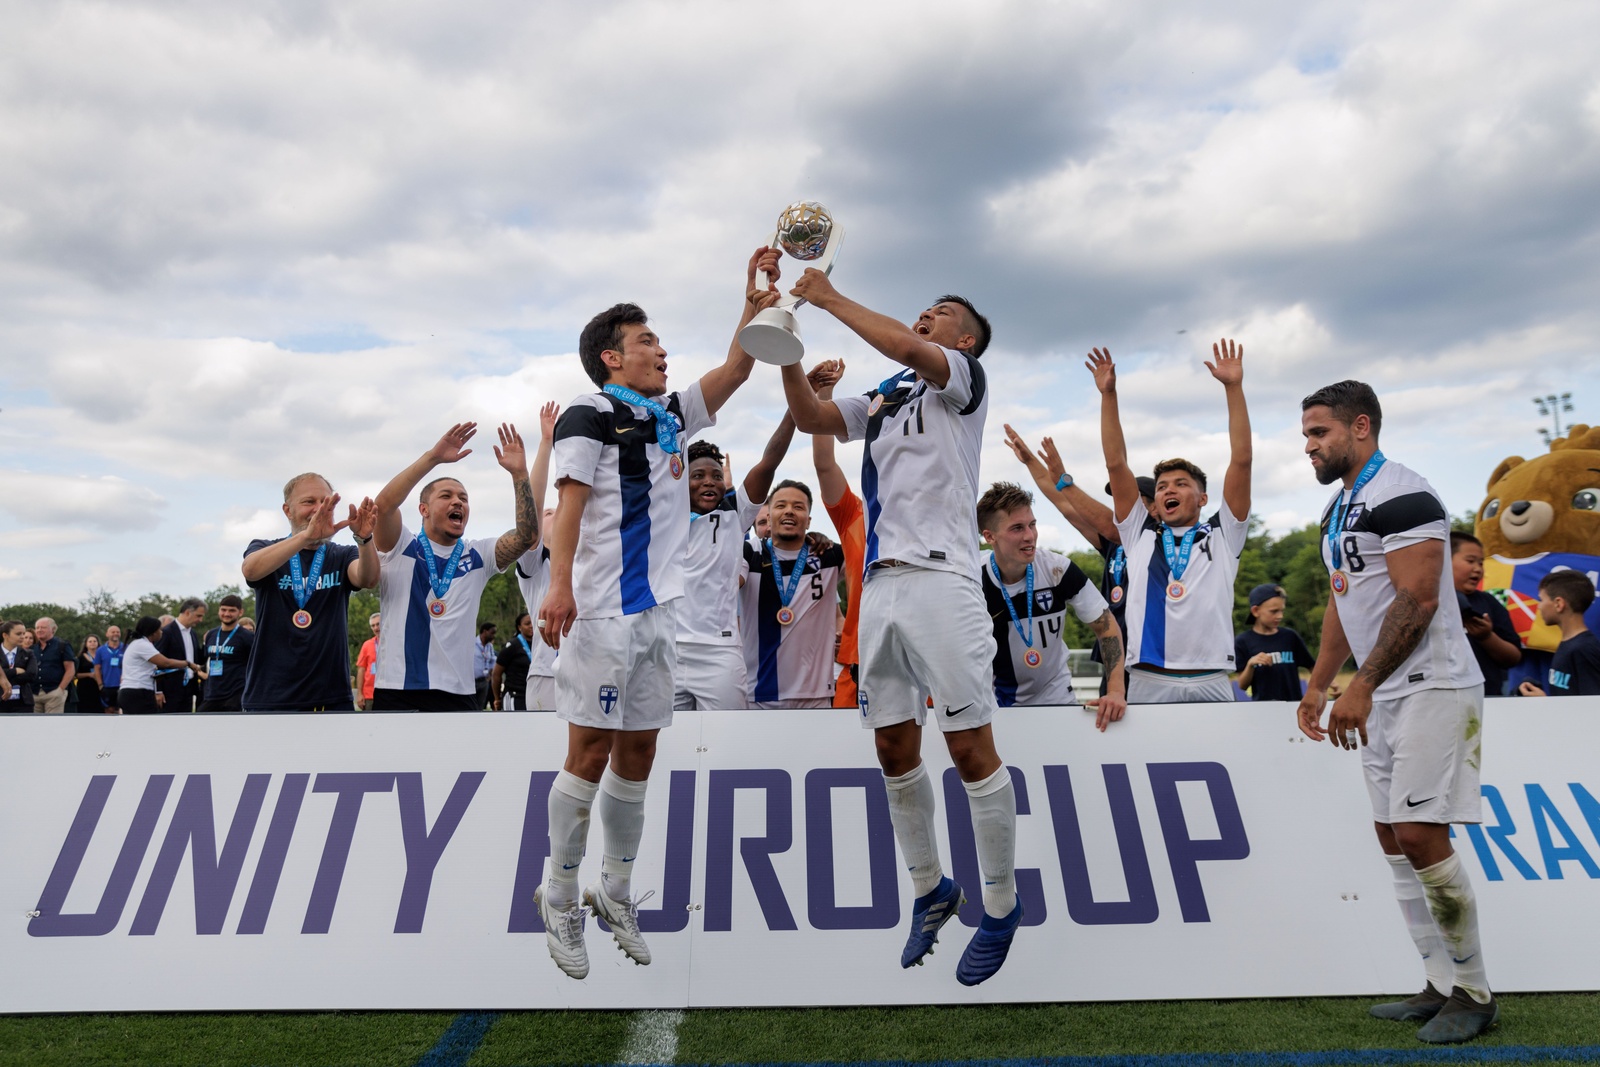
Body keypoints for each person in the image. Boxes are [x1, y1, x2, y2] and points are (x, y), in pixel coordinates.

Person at [534, 247, 775, 980]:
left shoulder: (670, 414)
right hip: (603, 609)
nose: (662, 351)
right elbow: (569, 502)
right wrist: (561, 586)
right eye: (647, 342)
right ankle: (559, 891)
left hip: (657, 618)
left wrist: (753, 303)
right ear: (612, 357)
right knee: (590, 753)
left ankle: (614, 889)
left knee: (639, 755)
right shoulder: (590, 412)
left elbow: (735, 372)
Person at [777, 276, 1019, 986]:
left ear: (965, 339)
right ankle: (931, 889)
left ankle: (1001, 904)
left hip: (943, 578)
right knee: (891, 745)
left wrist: (826, 296)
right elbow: (812, 417)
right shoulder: (887, 394)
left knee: (970, 746)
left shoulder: (964, 380)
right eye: (924, 311)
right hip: (879, 585)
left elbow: (903, 342)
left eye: (942, 313)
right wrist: (787, 348)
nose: (925, 317)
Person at [1296, 380, 1496, 1043]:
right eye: (1306, 435)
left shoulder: (1405, 492)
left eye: (1319, 432)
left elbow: (1419, 597)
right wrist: (1322, 681)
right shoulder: (1337, 509)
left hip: (1433, 684)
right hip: (1382, 690)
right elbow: (1342, 599)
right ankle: (1438, 980)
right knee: (1390, 835)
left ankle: (1474, 990)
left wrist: (1362, 684)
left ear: (1361, 427)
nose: (1310, 446)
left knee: (1418, 833)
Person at [1090, 342, 1252, 704]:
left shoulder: (1224, 534)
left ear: (1203, 498)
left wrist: (1233, 388)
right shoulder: (1138, 534)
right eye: (1162, 486)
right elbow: (1116, 464)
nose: (1168, 490)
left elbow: (1241, 461)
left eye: (1181, 484)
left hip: (1211, 675)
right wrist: (1109, 395)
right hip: (1149, 677)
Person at [372, 423, 538, 711]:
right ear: (423, 509)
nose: (458, 501)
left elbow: (527, 536)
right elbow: (383, 506)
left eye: (463, 498)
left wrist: (520, 475)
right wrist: (432, 458)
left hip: (459, 692)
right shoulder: (402, 545)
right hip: (399, 688)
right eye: (446, 496)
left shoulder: (479, 554)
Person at [1002, 425, 1155, 698]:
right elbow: (1066, 506)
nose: (1120, 509)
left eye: (1132, 501)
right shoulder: (1113, 542)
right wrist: (1030, 462)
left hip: (1151, 659)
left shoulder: (1161, 543)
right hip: (1117, 660)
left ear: (1154, 507)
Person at [677, 405, 800, 711]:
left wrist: (794, 411)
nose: (709, 482)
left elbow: (768, 462)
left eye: (716, 476)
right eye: (698, 475)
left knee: (724, 746)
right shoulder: (662, 515)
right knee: (663, 746)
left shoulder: (735, 512)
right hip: (665, 650)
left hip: (719, 653)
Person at [976, 482, 1127, 722]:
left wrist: (1116, 691)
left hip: (1056, 697)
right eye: (1017, 528)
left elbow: (1106, 626)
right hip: (993, 701)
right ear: (989, 536)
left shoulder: (1057, 569)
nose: (1029, 536)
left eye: (1032, 524)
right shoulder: (972, 578)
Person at [242, 473, 379, 713]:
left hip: (330, 697)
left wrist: (365, 539)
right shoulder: (265, 548)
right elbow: (251, 570)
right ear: (287, 510)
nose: (319, 509)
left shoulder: (342, 554)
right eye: (309, 502)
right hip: (270, 695)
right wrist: (306, 535)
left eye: (326, 502)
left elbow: (367, 578)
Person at [741, 479, 846, 709]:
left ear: (808, 520)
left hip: (816, 696)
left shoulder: (829, 555)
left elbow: (868, 568)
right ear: (768, 518)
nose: (789, 510)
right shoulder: (751, 553)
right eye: (780, 505)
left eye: (798, 507)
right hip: (760, 695)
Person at [809, 360, 869, 710]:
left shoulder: (931, 516)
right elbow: (825, 464)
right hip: (859, 660)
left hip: (920, 659)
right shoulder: (855, 514)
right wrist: (824, 397)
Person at [514, 403, 561, 713]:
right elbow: (533, 503)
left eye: (560, 511)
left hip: (595, 668)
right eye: (548, 513)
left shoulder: (593, 558)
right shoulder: (534, 567)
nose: (554, 513)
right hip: (548, 677)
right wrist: (546, 444)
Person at [1450, 532, 1521, 696]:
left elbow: (1513, 658)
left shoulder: (1489, 603)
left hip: (1486, 697)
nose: (1478, 569)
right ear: (1444, 560)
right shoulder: (1426, 600)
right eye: (1470, 561)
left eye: (1481, 563)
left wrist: (1486, 637)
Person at [1517, 570, 1600, 696]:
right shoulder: (1569, 644)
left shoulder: (1584, 650)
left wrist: (1544, 703)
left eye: (1541, 600)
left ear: (1558, 604)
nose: (1539, 606)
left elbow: (1591, 707)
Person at [1234, 584, 1316, 702]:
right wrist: (1250, 664)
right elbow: (1242, 685)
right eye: (1274, 611)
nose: (1280, 616)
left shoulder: (1290, 636)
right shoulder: (1242, 641)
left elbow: (1312, 667)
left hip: (1293, 706)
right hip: (1263, 710)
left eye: (1282, 611)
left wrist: (1328, 685)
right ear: (1256, 611)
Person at [119, 617, 203, 716]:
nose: (161, 632)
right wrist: (187, 663)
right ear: (153, 632)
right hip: (138, 692)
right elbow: (165, 663)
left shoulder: (138, 644)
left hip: (132, 692)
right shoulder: (143, 645)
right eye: (159, 629)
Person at [198, 594, 255, 712]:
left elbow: (256, 665)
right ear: (219, 611)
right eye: (223, 610)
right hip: (212, 693)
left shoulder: (247, 637)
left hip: (235, 695)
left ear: (240, 612)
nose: (227, 614)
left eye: (232, 611)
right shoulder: (211, 635)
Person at [156, 600, 207, 713]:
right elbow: (157, 662)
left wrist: (205, 643)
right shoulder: (167, 632)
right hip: (169, 689)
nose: (200, 620)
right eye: (198, 616)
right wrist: (158, 690)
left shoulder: (192, 633)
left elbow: (197, 659)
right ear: (188, 612)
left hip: (188, 688)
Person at [492, 613, 537, 710]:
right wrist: (497, 698)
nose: (531, 626)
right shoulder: (512, 646)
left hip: (532, 695)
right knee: (516, 725)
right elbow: (496, 674)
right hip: (515, 696)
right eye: (527, 623)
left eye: (533, 622)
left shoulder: (539, 645)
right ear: (519, 627)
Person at [31, 617, 75, 715]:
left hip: (54, 692)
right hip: (35, 693)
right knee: (35, 726)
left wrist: (60, 690)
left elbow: (70, 670)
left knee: (53, 726)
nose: (39, 630)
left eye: (43, 627)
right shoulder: (32, 648)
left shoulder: (62, 645)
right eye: (37, 628)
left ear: (53, 629)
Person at [1, 621, 40, 711]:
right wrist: (15, 671)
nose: (22, 637)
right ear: (5, 635)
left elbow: (31, 675)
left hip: (23, 702)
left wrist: (5, 678)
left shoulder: (28, 653)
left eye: (23, 633)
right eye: (18, 634)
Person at [94, 625, 124, 713]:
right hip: (107, 685)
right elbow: (97, 668)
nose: (116, 634)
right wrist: (100, 685)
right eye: (113, 632)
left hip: (123, 685)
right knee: (109, 710)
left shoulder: (126, 648)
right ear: (107, 634)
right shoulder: (100, 650)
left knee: (123, 710)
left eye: (118, 632)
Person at [354, 614, 380, 710]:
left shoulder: (392, 643)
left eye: (378, 624)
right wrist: (359, 693)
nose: (376, 628)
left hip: (388, 692)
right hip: (369, 695)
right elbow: (361, 669)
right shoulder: (367, 645)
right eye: (373, 626)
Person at [75, 635, 103, 713]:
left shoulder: (102, 656)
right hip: (85, 688)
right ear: (86, 644)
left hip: (99, 687)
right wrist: (89, 674)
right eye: (90, 641)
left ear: (98, 643)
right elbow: (76, 674)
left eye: (94, 641)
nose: (92, 643)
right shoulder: (80, 658)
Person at [473, 623, 499, 709]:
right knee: (471, 706)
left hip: (484, 681)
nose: (494, 636)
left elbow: (493, 660)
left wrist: (490, 674)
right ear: (484, 631)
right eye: (492, 633)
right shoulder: (472, 643)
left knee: (480, 707)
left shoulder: (489, 646)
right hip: (472, 681)